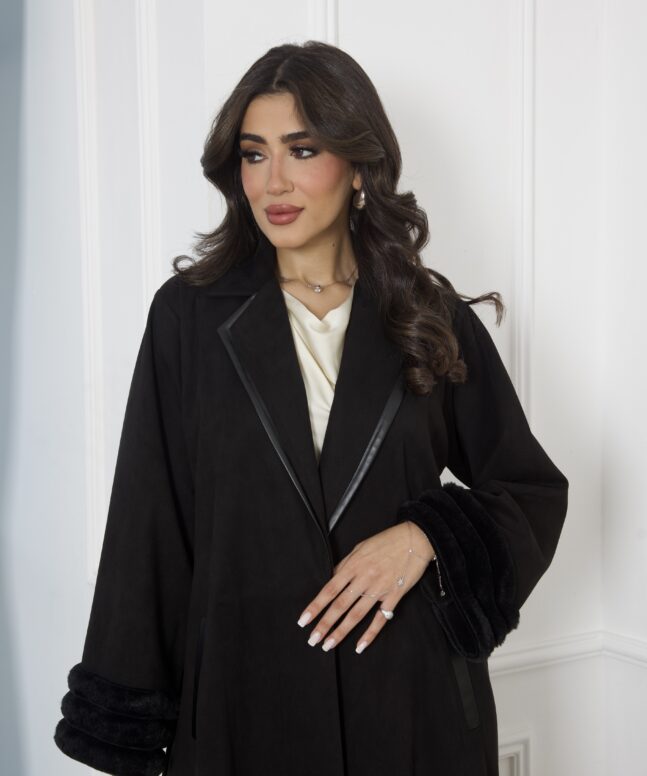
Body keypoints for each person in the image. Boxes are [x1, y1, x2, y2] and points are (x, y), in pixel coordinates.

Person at [53, 40, 569, 776]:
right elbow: (149, 524)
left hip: (409, 705)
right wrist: (130, 723)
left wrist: (425, 536)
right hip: (241, 708)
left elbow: (529, 489)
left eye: (302, 150)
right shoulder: (188, 319)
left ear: (357, 166)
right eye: (254, 154)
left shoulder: (427, 317)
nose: (274, 181)